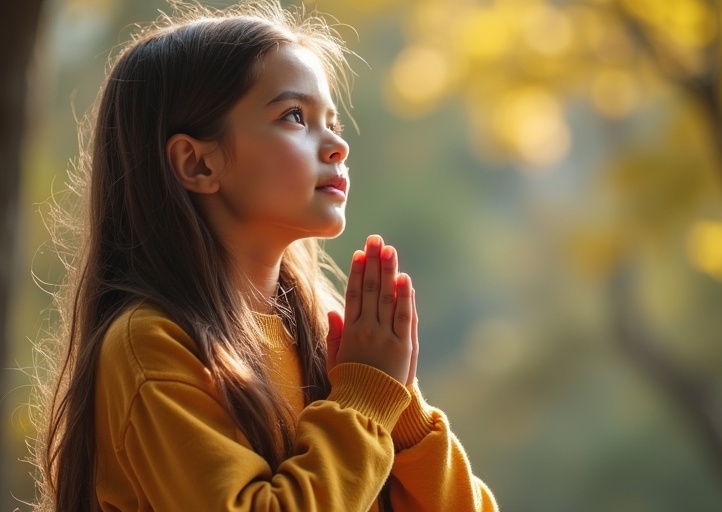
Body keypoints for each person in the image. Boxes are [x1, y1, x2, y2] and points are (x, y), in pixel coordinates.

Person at [34, 1, 498, 510]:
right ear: (197, 162)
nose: (337, 146)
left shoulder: (325, 333)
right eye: (294, 116)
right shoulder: (151, 346)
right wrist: (364, 401)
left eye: (333, 122)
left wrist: (399, 409)